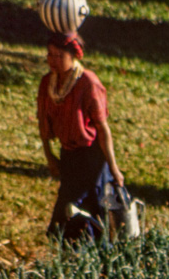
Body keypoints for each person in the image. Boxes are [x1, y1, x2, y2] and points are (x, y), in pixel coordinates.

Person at [37, 31, 124, 242]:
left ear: (73, 56)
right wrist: (49, 157)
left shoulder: (88, 83)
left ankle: (97, 256)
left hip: (92, 158)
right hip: (69, 155)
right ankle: (72, 256)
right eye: (50, 55)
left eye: (59, 56)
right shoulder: (48, 84)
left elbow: (102, 128)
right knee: (68, 207)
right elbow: (43, 123)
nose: (53, 61)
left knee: (88, 207)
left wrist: (113, 168)